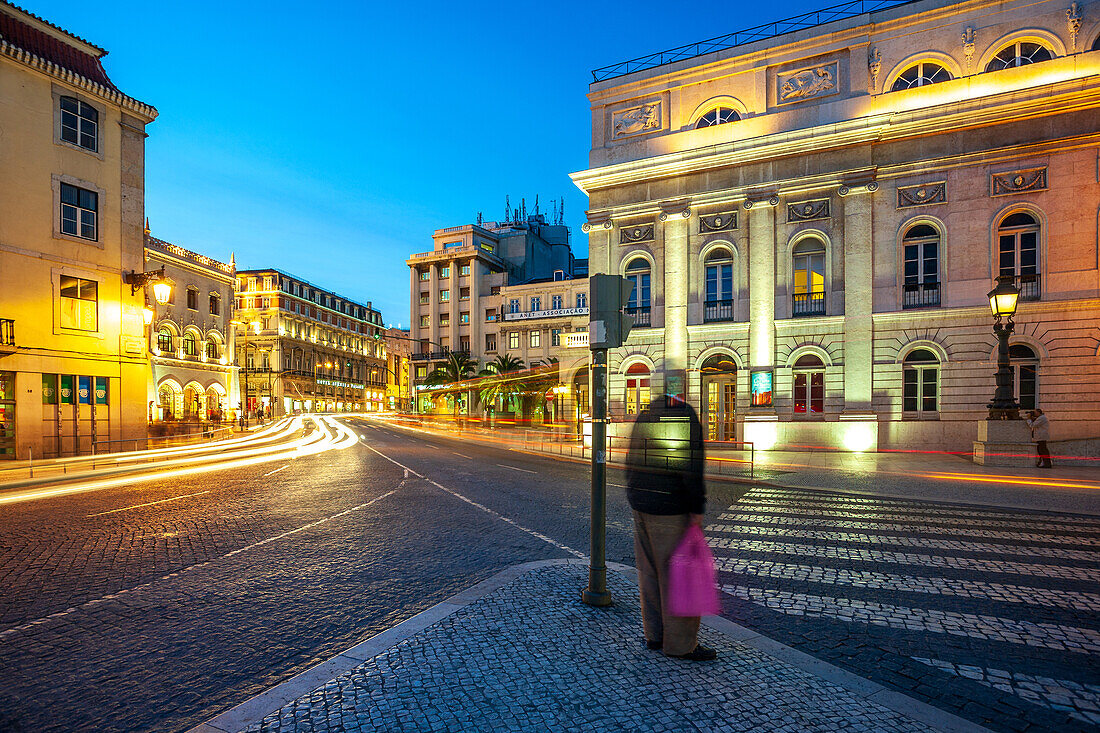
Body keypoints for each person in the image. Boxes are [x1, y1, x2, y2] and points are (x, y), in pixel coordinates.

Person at [624, 391, 717, 661]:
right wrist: (696, 507)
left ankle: (654, 634)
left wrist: (633, 492)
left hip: (641, 504)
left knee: (649, 574)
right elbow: (690, 466)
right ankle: (680, 644)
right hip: (670, 507)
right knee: (679, 578)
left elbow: (631, 456)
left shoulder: (646, 413)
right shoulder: (684, 414)